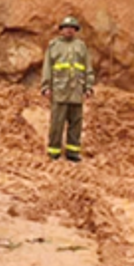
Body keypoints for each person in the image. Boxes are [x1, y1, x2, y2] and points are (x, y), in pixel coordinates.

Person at [40, 15, 95, 162]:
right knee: (57, 122)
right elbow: (47, 68)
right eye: (66, 28)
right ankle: (54, 151)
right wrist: (46, 86)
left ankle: (73, 152)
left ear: (75, 30)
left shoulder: (81, 46)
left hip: (76, 91)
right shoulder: (54, 46)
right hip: (60, 91)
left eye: (72, 28)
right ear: (61, 30)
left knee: (76, 123)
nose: (69, 30)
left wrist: (88, 86)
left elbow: (87, 67)